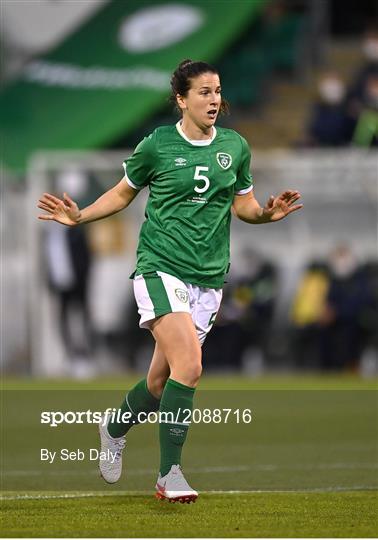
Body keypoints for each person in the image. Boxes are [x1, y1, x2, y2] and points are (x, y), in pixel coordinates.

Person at [37, 59, 302, 503]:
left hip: (210, 278)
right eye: (203, 92)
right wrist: (80, 215)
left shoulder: (235, 147)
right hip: (160, 267)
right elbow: (123, 193)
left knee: (161, 384)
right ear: (181, 100)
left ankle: (113, 426)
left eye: (217, 90)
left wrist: (266, 215)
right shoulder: (158, 144)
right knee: (192, 367)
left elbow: (245, 207)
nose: (214, 99)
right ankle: (169, 474)